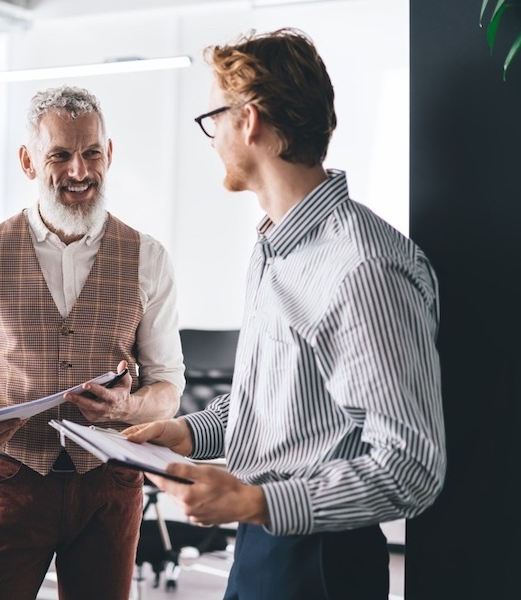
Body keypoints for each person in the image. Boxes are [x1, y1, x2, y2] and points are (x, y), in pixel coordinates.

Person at [124, 29, 446, 600]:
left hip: (321, 558)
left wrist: (258, 501)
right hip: (262, 541)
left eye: (213, 119)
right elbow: (275, 407)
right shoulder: (275, 249)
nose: (212, 136)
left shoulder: (362, 267)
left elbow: (410, 465)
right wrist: (185, 433)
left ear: (249, 121)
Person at [0, 85, 185, 600]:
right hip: (12, 481)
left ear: (109, 154)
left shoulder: (148, 258)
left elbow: (169, 384)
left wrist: (128, 404)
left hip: (108, 485)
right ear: (27, 161)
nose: (79, 171)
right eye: (59, 155)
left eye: (91, 153)